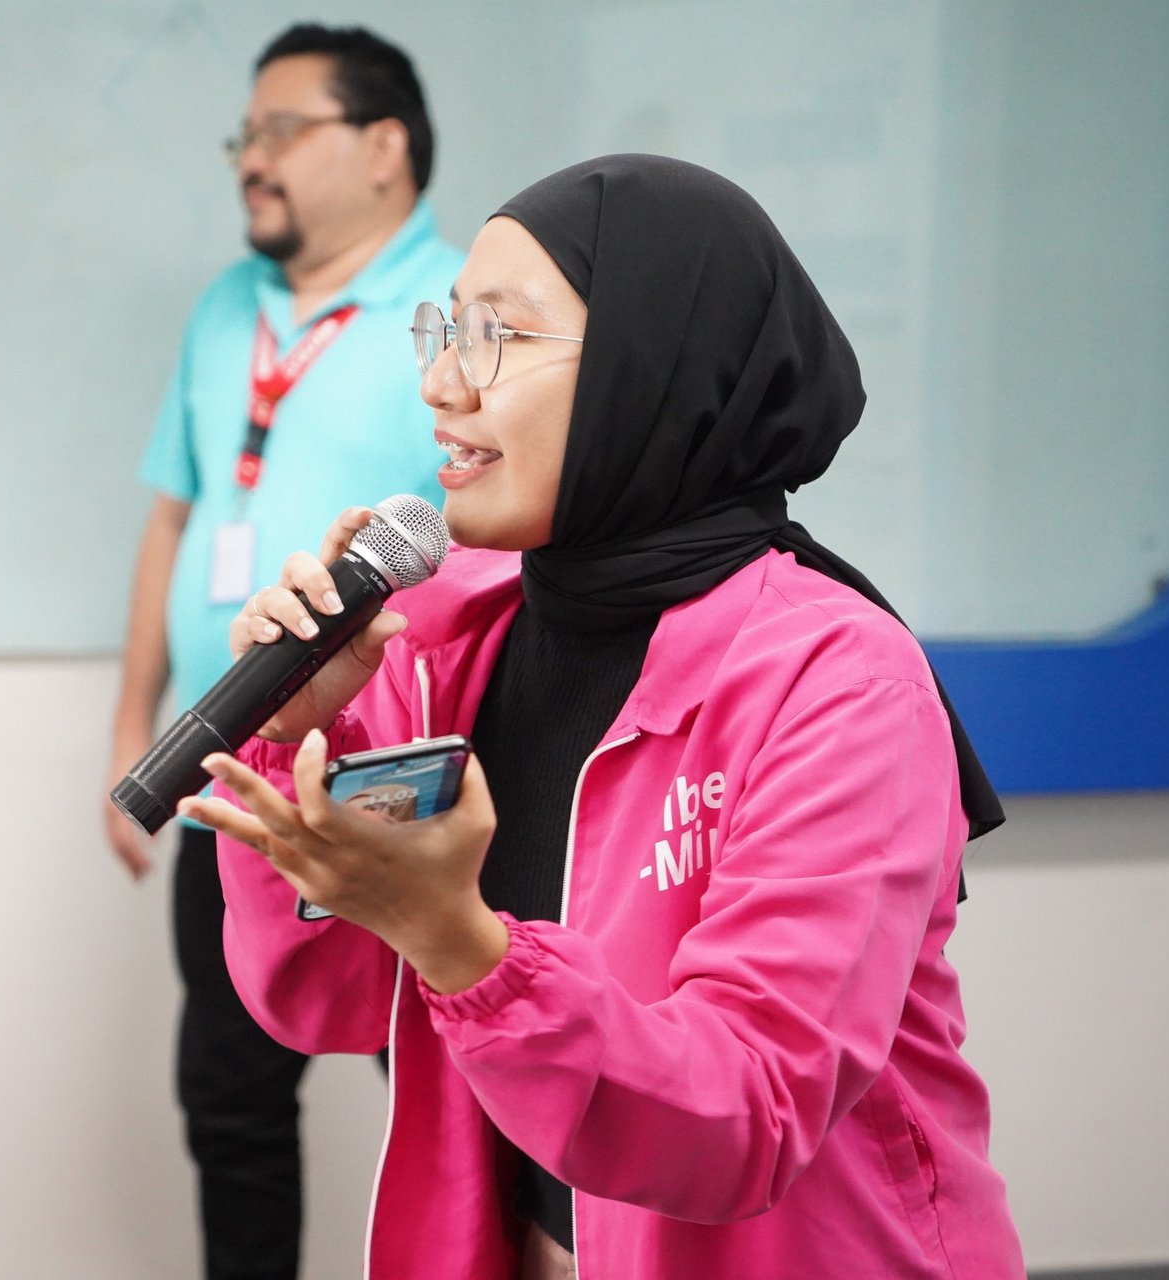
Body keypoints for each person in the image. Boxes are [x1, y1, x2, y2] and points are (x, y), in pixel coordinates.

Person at [178, 154, 1026, 1279]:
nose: (441, 384)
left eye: (496, 335)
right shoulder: (446, 634)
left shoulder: (836, 680)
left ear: (650, 367)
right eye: (446, 331)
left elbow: (748, 1114)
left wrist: (458, 940)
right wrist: (296, 740)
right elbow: (327, 1003)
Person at [102, 24, 462, 1280]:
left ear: (383, 146)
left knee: (447, 1083)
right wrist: (133, 730)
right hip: (233, 766)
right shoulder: (224, 310)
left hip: (406, 780)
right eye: (245, 137)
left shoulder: (460, 312)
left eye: (281, 131)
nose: (252, 159)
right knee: (231, 1092)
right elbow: (176, 515)